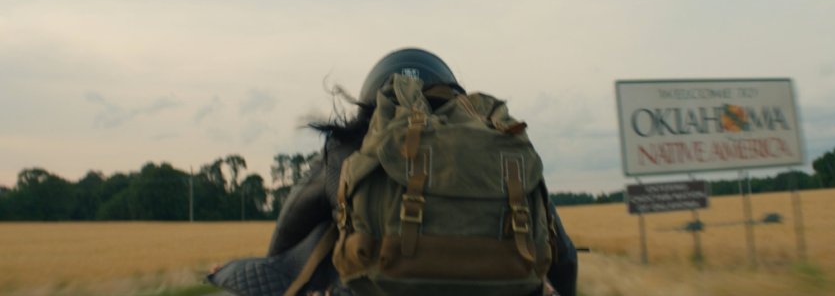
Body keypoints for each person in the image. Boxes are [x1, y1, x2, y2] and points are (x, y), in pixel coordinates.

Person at [209, 48, 577, 296]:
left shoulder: (348, 151)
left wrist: (278, 267)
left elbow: (294, 219)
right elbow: (564, 254)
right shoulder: (498, 150)